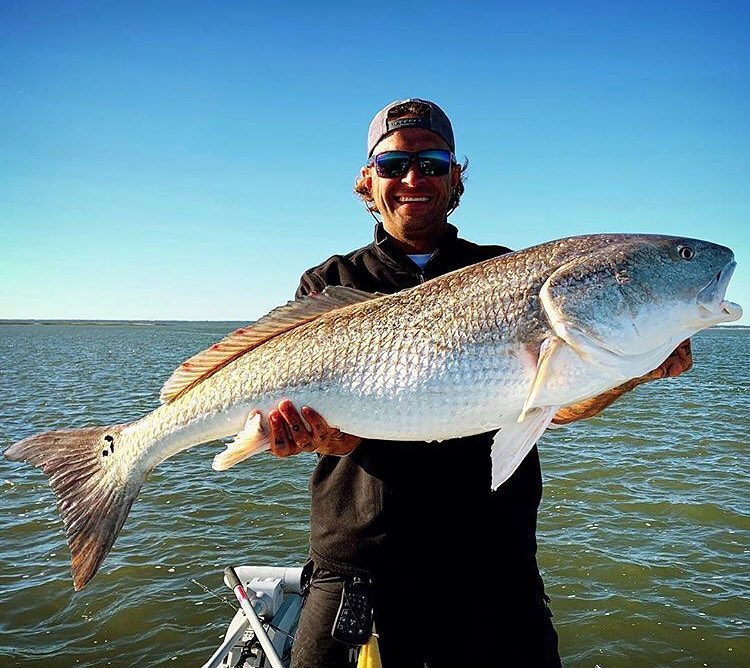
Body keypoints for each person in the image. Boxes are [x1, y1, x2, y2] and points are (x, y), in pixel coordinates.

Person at [265, 99, 693, 667]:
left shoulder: (507, 273)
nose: (413, 178)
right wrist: (320, 437)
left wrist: (634, 365)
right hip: (360, 567)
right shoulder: (330, 282)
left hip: (493, 568)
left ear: (455, 175)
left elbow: (557, 405)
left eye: (434, 162)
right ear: (368, 181)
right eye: (393, 165)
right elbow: (337, 434)